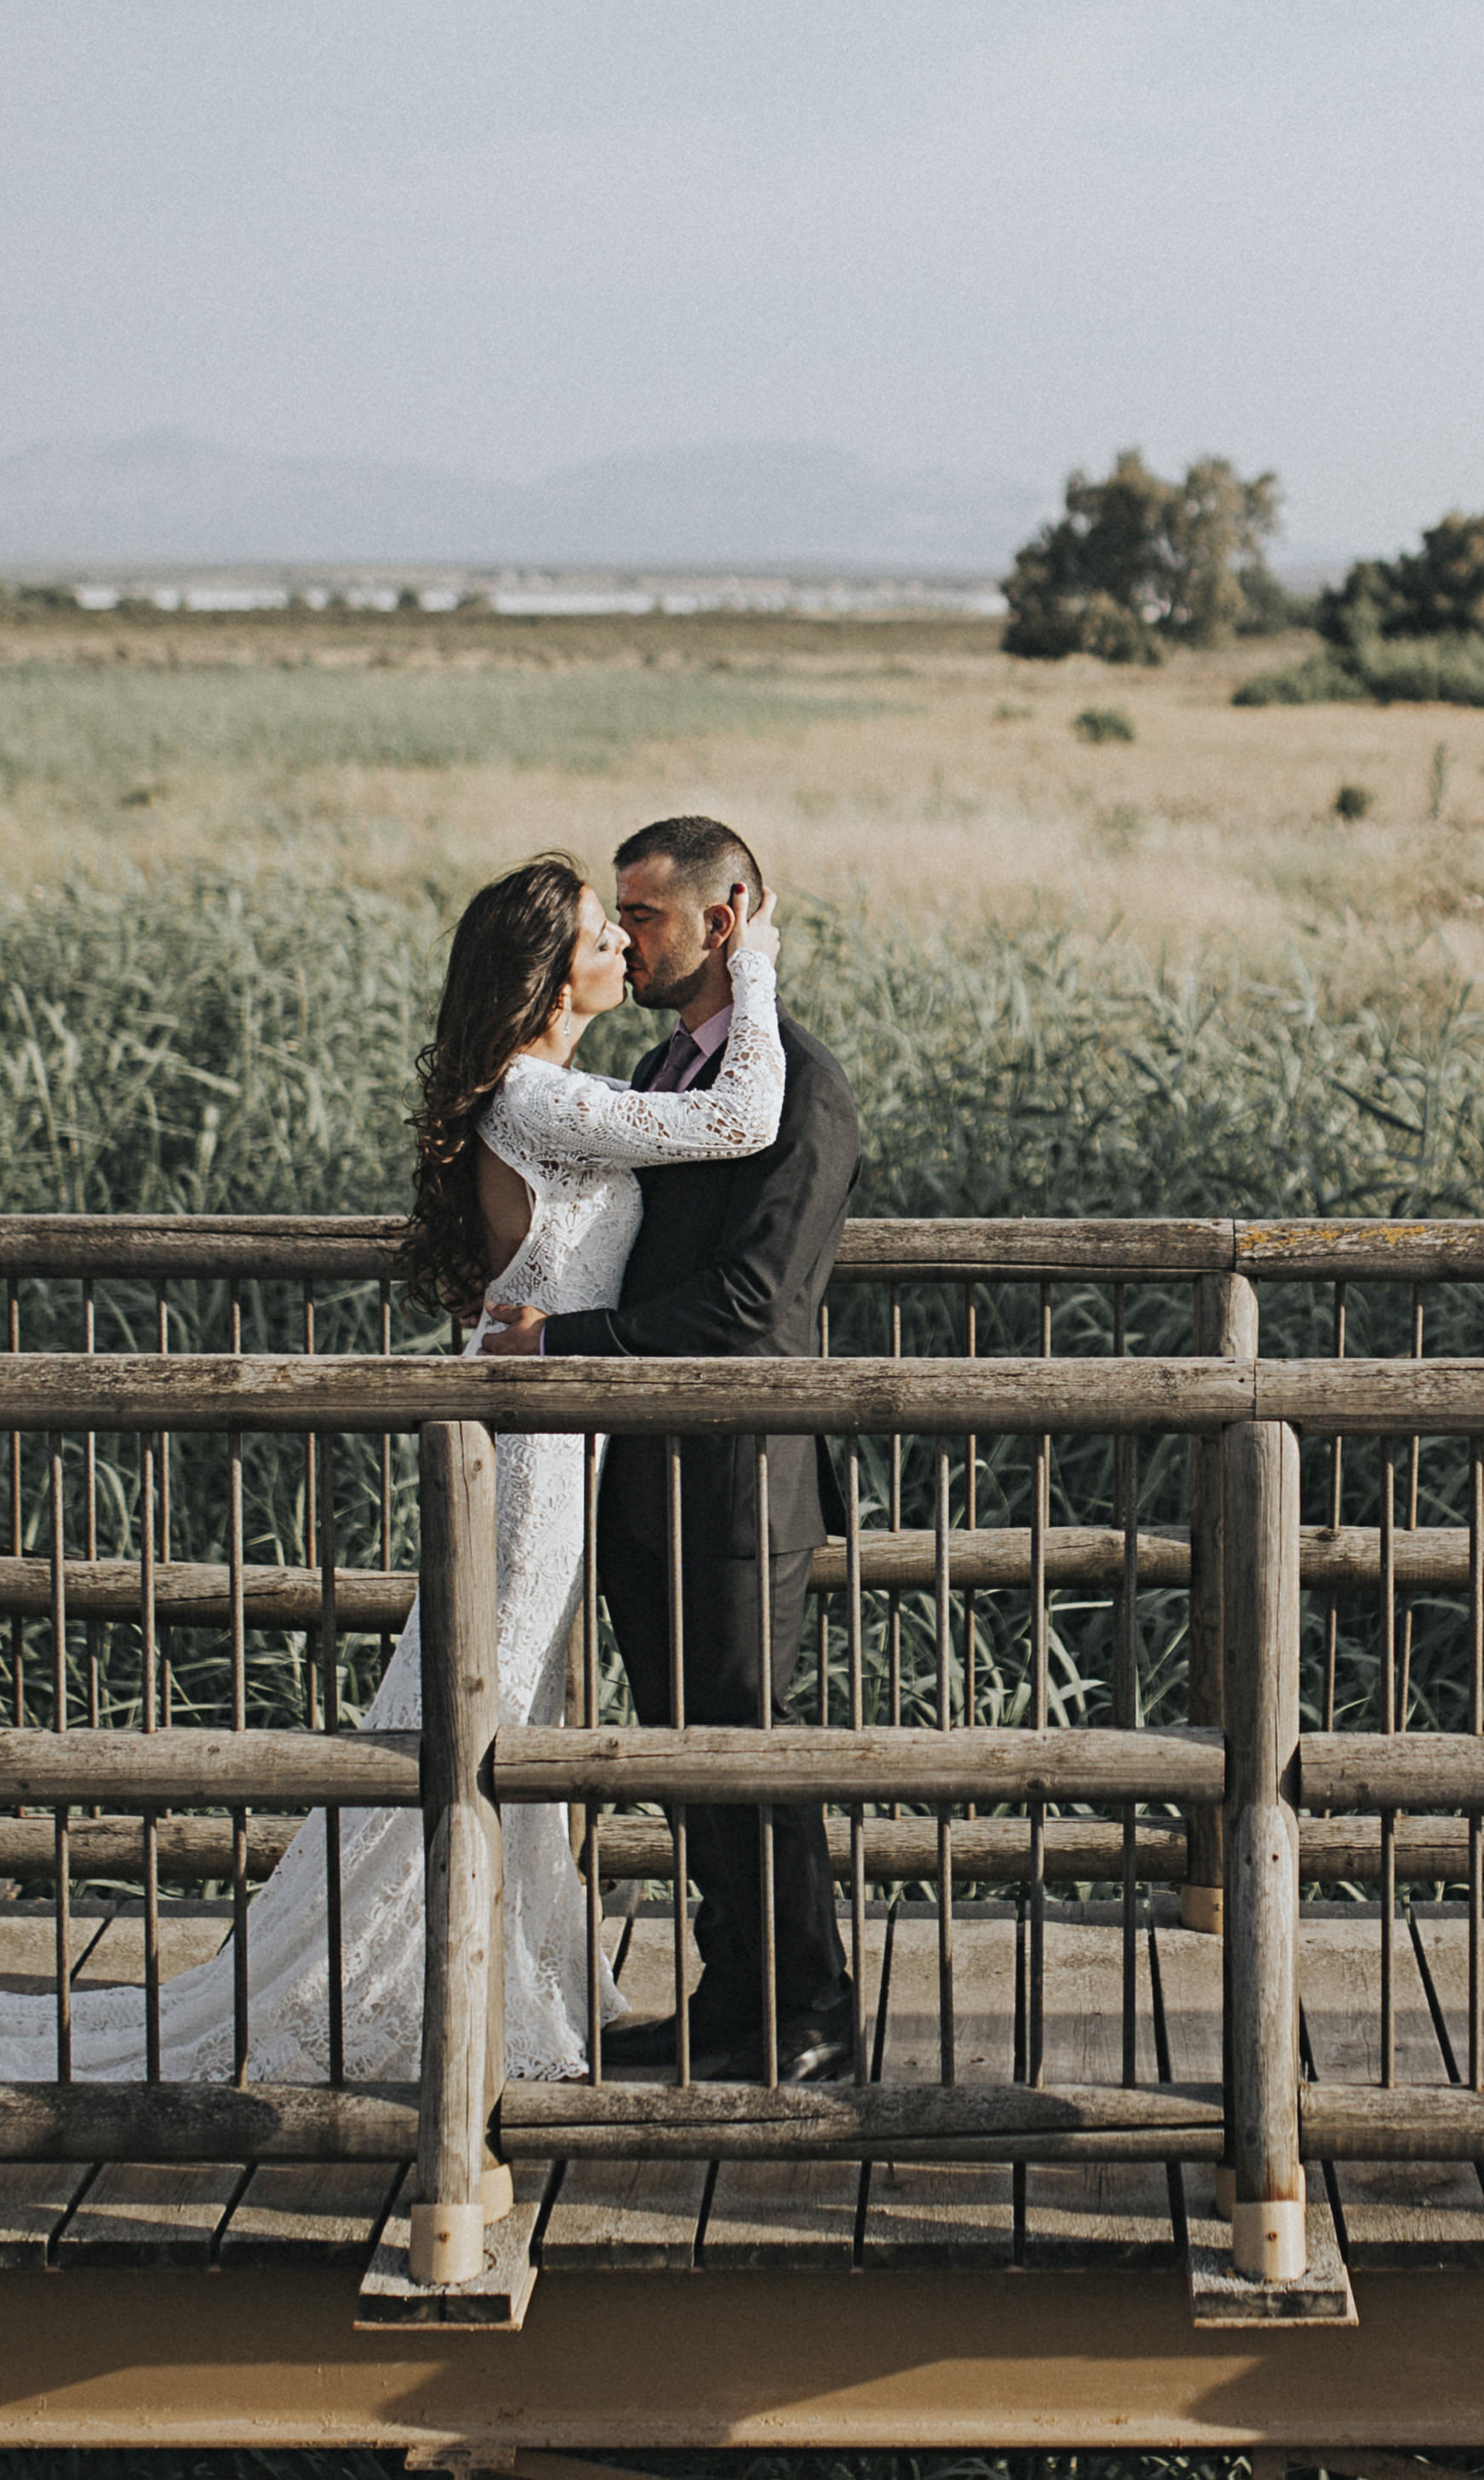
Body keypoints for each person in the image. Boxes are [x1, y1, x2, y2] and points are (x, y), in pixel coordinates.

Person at [0, 851, 787, 2090]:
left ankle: (495, 1969)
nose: (623, 949)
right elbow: (744, 1118)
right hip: (533, 1456)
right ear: (547, 976)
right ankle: (412, 1980)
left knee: (508, 1712)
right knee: (475, 1711)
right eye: (602, 933)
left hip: (553, 1436)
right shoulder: (535, 1099)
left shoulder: (556, 1088)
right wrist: (751, 968)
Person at [480, 812, 861, 2085]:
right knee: (683, 1748)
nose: (629, 940)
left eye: (645, 916)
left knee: (752, 1736)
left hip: (745, 1472)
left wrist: (562, 1343)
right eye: (622, 919)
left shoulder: (796, 1085)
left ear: (727, 914)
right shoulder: (657, 1072)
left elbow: (756, 1308)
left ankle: (809, 2009)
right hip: (648, 1464)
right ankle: (731, 1993)